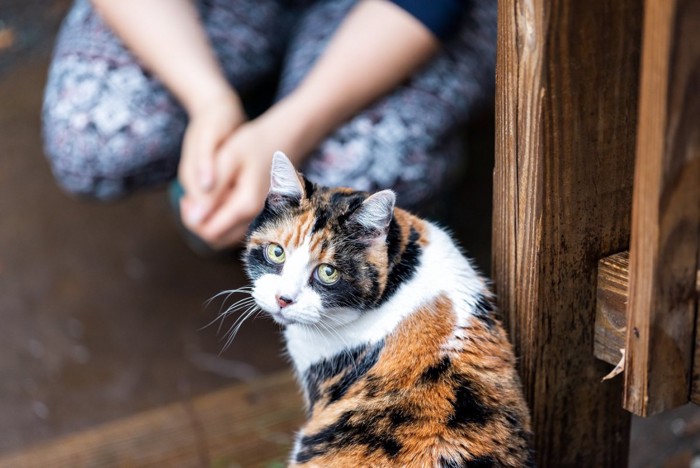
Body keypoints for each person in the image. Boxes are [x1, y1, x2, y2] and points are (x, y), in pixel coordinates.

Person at [42, 0, 497, 249]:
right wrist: (209, 103)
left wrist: (287, 129)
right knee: (90, 135)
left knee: (359, 178)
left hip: (400, 15)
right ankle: (233, 142)